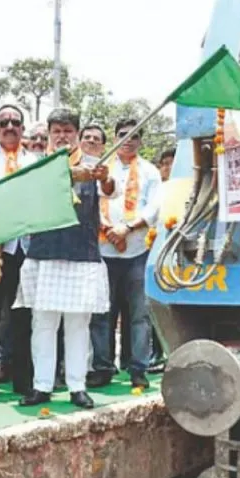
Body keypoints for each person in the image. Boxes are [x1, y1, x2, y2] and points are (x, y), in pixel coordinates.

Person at [15, 108, 116, 409]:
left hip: (82, 253)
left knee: (78, 325)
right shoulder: (36, 165)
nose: (62, 135)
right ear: (48, 133)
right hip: (44, 252)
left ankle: (77, 386)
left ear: (77, 134)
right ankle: (41, 386)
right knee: (43, 323)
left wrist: (104, 176)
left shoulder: (94, 164)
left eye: (68, 130)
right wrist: (71, 174)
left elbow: (109, 190)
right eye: (56, 130)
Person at [88, 119, 162, 390]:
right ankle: (102, 367)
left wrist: (127, 228)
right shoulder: (99, 167)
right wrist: (109, 230)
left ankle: (138, 368)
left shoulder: (150, 171)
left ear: (141, 140)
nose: (128, 140)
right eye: (122, 135)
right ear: (115, 138)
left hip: (137, 251)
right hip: (104, 249)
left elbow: (155, 208)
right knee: (102, 313)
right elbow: (91, 202)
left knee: (140, 314)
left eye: (134, 136)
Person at [0, 105, 37, 396]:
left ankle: (22, 378)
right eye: (4, 122)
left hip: (24, 248)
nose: (10, 126)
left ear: (23, 128)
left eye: (15, 122)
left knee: (22, 316)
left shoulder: (35, 162)